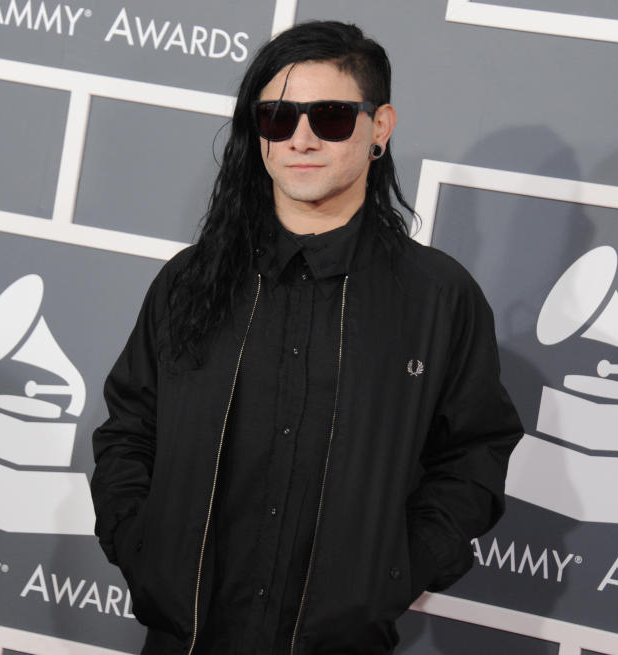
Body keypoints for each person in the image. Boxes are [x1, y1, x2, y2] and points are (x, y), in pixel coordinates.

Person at [91, 20, 523, 655]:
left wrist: (397, 571)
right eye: (277, 117)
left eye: (329, 116)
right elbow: (130, 429)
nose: (301, 138)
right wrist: (141, 548)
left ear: (379, 128)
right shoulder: (190, 282)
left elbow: (474, 454)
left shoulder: (438, 298)